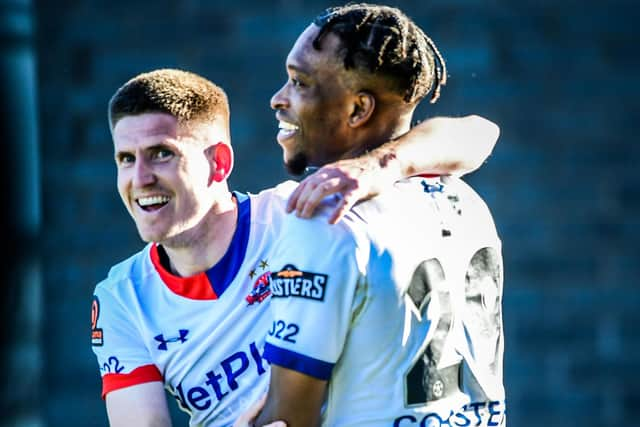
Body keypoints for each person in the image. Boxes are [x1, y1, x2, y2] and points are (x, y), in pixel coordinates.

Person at [91, 67, 498, 426]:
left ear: (220, 163)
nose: (139, 178)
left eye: (161, 154)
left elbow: (479, 134)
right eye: (125, 159)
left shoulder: (302, 213)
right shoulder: (121, 298)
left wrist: (377, 166)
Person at [251, 3, 505, 427]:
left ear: (358, 110)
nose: (278, 98)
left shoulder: (326, 221)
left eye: (299, 82)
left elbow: (289, 419)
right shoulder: (468, 203)